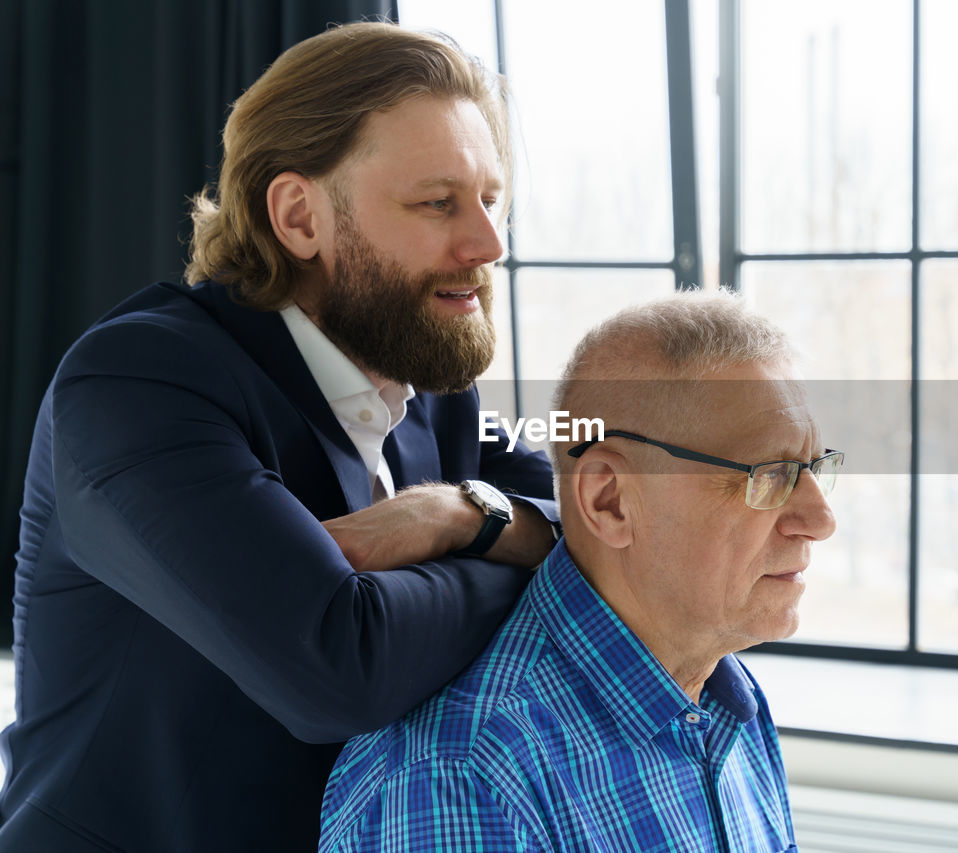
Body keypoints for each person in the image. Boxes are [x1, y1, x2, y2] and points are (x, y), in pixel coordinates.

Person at [0, 22, 558, 853]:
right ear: (300, 216)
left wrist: (458, 516)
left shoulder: (433, 382)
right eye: (438, 203)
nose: (489, 244)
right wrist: (519, 549)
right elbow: (339, 665)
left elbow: (599, 513)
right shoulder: (136, 382)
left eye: (490, 199)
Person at [319, 293, 842, 852]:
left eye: (814, 469)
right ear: (611, 501)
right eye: (771, 475)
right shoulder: (462, 782)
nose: (821, 520)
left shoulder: (727, 698)